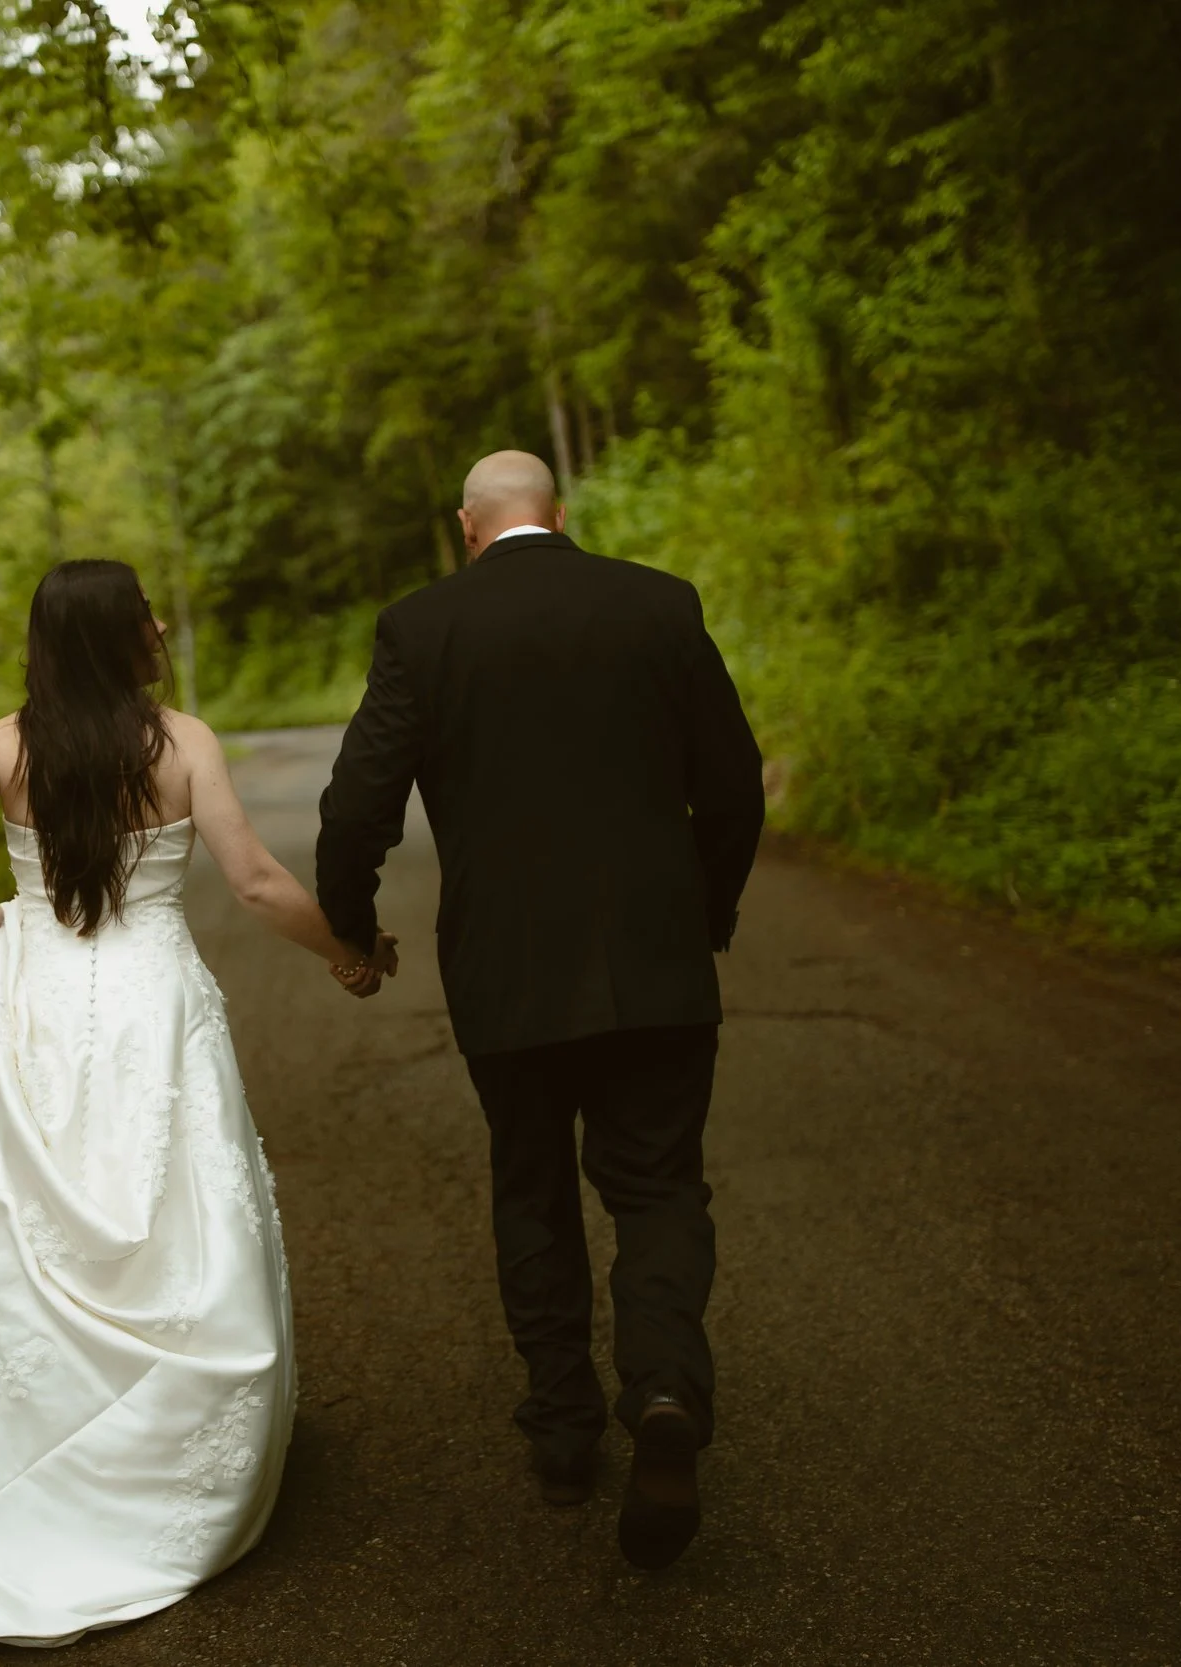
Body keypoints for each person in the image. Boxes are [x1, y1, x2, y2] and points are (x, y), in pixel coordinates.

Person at [0, 558, 394, 1645]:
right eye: (142, 609)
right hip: (151, 999)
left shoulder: (5, 743)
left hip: (34, 993)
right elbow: (253, 882)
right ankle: (157, 1459)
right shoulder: (179, 741)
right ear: (121, 634)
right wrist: (347, 952)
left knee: (25, 1229)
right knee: (178, 1213)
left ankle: (7, 1458)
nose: (154, 621)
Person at [315, 449, 766, 1572]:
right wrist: (703, 910)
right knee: (658, 1181)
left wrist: (351, 925)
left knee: (531, 1182)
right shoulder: (657, 603)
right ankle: (662, 1386)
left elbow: (357, 801)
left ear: (466, 526)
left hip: (507, 969)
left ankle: (564, 1433)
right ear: (557, 516)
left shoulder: (422, 627)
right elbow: (737, 781)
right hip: (657, 961)